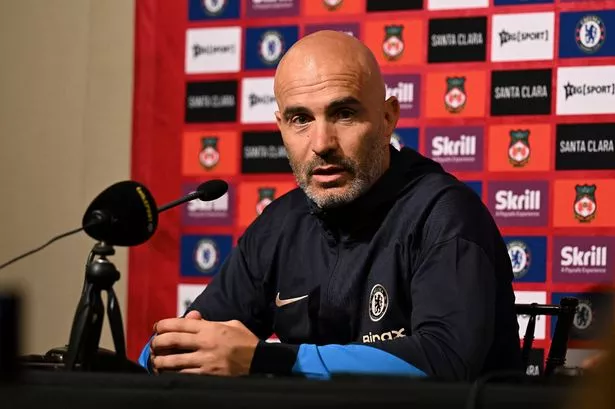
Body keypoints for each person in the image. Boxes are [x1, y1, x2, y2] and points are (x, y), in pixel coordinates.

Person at [138, 30, 522, 381]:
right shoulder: (279, 225)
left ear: (388, 118)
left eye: (344, 113)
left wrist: (267, 360)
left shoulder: (444, 214)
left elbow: (445, 360)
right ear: (281, 128)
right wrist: (165, 352)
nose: (322, 142)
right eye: (300, 119)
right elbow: (185, 340)